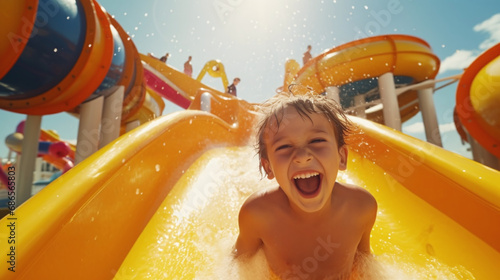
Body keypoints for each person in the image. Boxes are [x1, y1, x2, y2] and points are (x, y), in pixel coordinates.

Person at [234, 86, 378, 279]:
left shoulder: (361, 207)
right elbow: (238, 265)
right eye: (284, 146)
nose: (302, 156)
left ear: (341, 157)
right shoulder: (258, 214)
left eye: (317, 141)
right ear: (268, 167)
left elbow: (365, 265)